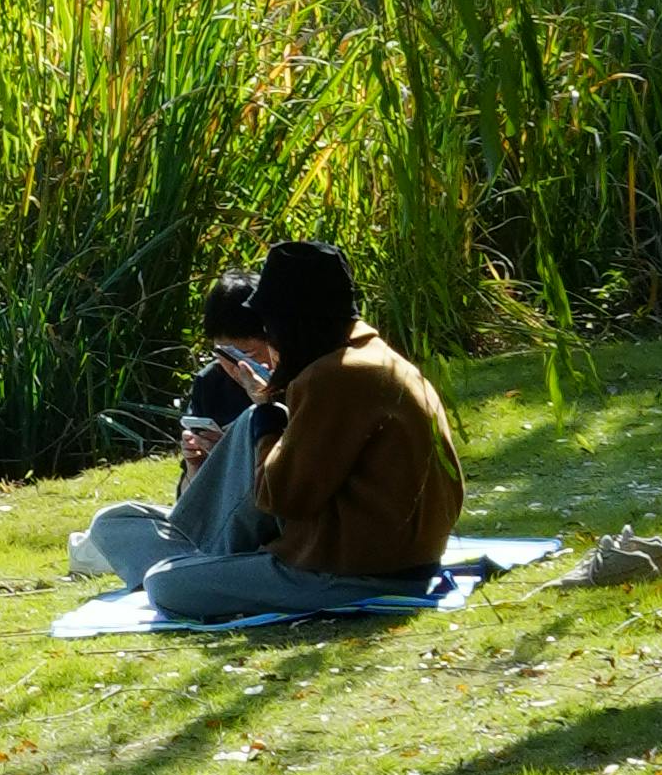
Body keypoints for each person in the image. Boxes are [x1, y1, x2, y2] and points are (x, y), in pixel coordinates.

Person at [69, 240, 464, 619]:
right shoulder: (372, 359)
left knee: (165, 584)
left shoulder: (333, 376)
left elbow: (284, 497)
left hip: (355, 572)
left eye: (270, 327)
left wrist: (267, 422)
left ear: (293, 322)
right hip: (382, 554)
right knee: (118, 520)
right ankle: (205, 558)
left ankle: (204, 562)